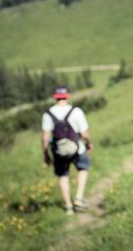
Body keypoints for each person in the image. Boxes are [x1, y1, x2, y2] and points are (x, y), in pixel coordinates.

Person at [41, 86, 93, 215]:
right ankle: (79, 198)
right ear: (67, 96)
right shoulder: (76, 111)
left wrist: (45, 153)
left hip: (58, 151)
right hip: (77, 148)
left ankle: (69, 207)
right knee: (83, 169)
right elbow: (84, 133)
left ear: (55, 97)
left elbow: (45, 137)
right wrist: (88, 143)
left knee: (63, 176)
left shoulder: (48, 114)